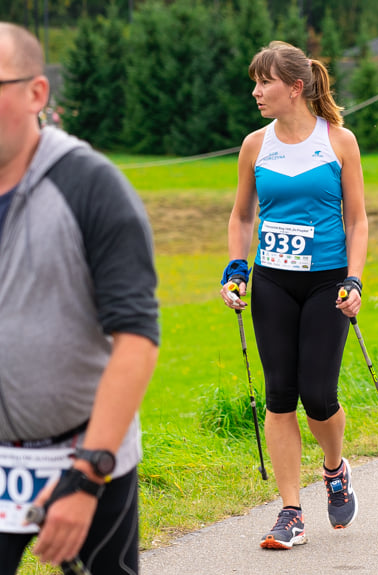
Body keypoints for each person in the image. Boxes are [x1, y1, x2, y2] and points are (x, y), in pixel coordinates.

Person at [0, 22, 160, 574]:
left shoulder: (91, 186)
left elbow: (137, 339)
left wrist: (88, 469)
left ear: (36, 93)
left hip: (83, 457)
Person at [219, 41, 368, 549]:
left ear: (295, 88)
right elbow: (241, 216)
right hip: (274, 281)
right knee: (280, 395)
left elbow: (357, 219)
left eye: (265, 82)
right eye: (255, 82)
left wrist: (355, 279)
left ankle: (334, 468)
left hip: (328, 282)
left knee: (319, 398)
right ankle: (290, 513)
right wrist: (236, 270)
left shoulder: (340, 142)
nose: (256, 91)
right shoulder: (255, 144)